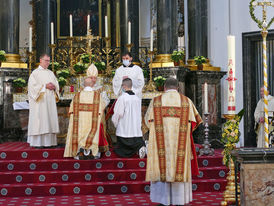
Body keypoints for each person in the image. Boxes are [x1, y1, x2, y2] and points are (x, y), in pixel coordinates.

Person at [145, 77, 203, 206]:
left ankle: (162, 200)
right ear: (178, 87)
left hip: (161, 146)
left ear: (164, 87)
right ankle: (179, 200)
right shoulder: (186, 101)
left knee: (162, 167)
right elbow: (195, 122)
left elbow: (147, 122)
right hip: (180, 146)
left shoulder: (156, 101)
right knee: (179, 167)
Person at [64, 64, 110, 159]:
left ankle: (81, 150)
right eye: (91, 77)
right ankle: (92, 151)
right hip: (94, 117)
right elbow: (101, 105)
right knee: (94, 131)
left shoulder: (79, 94)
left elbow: (71, 109)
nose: (93, 79)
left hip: (81, 119)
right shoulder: (94, 95)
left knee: (81, 132)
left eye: (94, 77)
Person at [27, 53, 59, 148]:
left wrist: (54, 87)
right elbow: (32, 88)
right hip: (40, 103)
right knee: (40, 121)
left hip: (49, 101)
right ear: (40, 60)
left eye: (49, 61)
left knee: (49, 119)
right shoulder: (35, 73)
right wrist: (45, 86)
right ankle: (38, 143)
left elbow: (56, 84)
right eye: (46, 60)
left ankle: (50, 142)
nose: (48, 63)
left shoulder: (50, 73)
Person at [112, 78, 146, 158]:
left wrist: (115, 123)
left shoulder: (122, 98)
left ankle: (127, 152)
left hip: (124, 129)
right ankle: (140, 147)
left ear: (123, 86)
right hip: (136, 130)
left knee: (121, 147)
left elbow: (118, 113)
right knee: (136, 140)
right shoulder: (137, 99)